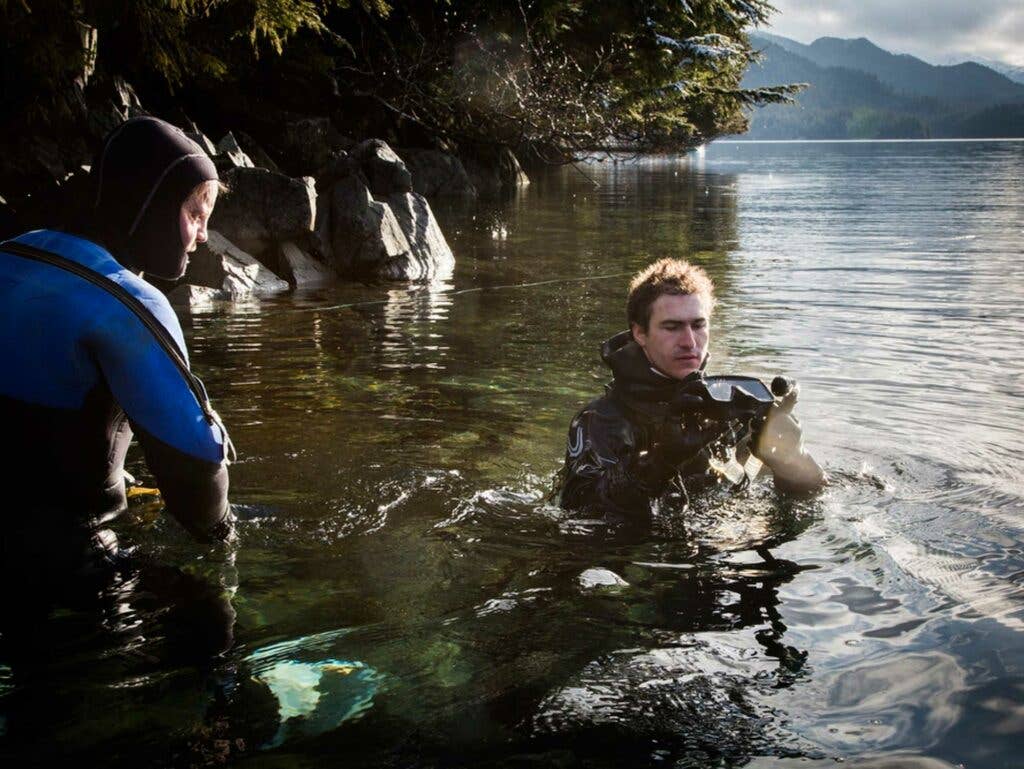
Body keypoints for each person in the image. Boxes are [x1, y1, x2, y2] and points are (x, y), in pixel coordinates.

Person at [0, 116, 234, 576]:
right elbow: (197, 468)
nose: (203, 236)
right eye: (195, 216)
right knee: (212, 626)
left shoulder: (12, 250)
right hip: (64, 557)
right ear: (153, 207)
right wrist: (223, 536)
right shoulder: (128, 302)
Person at [556, 258, 825, 519]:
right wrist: (661, 461)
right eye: (672, 327)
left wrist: (794, 461)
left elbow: (811, 503)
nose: (689, 342)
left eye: (698, 325)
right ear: (640, 333)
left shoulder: (732, 408)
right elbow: (579, 511)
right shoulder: (601, 421)